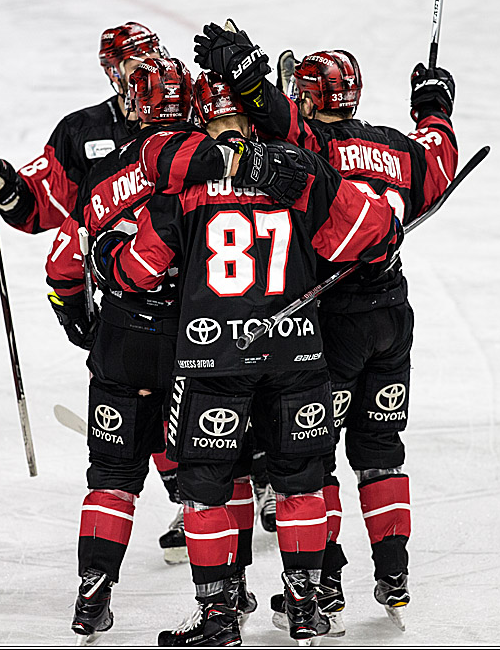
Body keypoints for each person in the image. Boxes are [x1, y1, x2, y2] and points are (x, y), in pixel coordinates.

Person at [97, 69, 400, 646]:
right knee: (300, 484)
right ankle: (307, 608)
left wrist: (107, 251)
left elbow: (138, 272)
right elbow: (377, 233)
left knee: (206, 488)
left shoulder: (183, 186)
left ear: (202, 115)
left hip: (213, 361)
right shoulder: (299, 173)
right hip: (297, 356)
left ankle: (219, 618)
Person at [193, 21, 460, 633]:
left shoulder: (311, 143)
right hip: (391, 314)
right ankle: (394, 573)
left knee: (318, 458)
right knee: (382, 451)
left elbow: (273, 120)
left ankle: (327, 583)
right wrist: (434, 106)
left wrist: (246, 74)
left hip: (330, 322)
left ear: (310, 98)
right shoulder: (398, 147)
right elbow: (438, 168)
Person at [41, 57, 305, 644]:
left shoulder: (105, 174)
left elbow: (64, 263)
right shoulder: (191, 166)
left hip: (120, 341)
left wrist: (79, 320)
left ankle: (93, 596)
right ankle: (225, 593)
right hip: (192, 341)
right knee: (211, 471)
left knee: (111, 475)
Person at [0, 22, 193, 561]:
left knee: (218, 391)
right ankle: (188, 500)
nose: (144, 69)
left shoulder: (190, 107)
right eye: (132, 62)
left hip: (202, 288)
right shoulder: (82, 131)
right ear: (112, 72)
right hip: (130, 293)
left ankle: (259, 481)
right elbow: (41, 207)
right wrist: (1, 183)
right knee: (148, 400)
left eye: (150, 56)